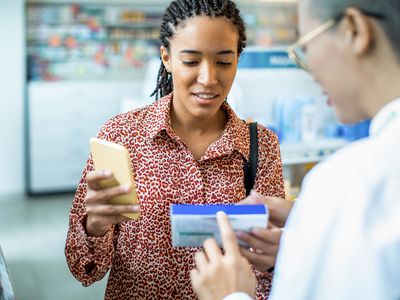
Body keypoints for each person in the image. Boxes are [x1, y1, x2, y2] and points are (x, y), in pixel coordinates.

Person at [65, 1, 285, 299]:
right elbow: (83, 268)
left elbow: (266, 270)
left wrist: (278, 256)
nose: (208, 78)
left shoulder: (261, 147)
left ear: (237, 60)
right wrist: (95, 227)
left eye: (223, 62)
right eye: (191, 61)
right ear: (167, 58)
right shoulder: (121, 136)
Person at [190, 0, 400, 299]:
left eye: (306, 45)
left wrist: (229, 295)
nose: (308, 67)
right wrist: (309, 219)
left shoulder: (348, 184)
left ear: (354, 30)